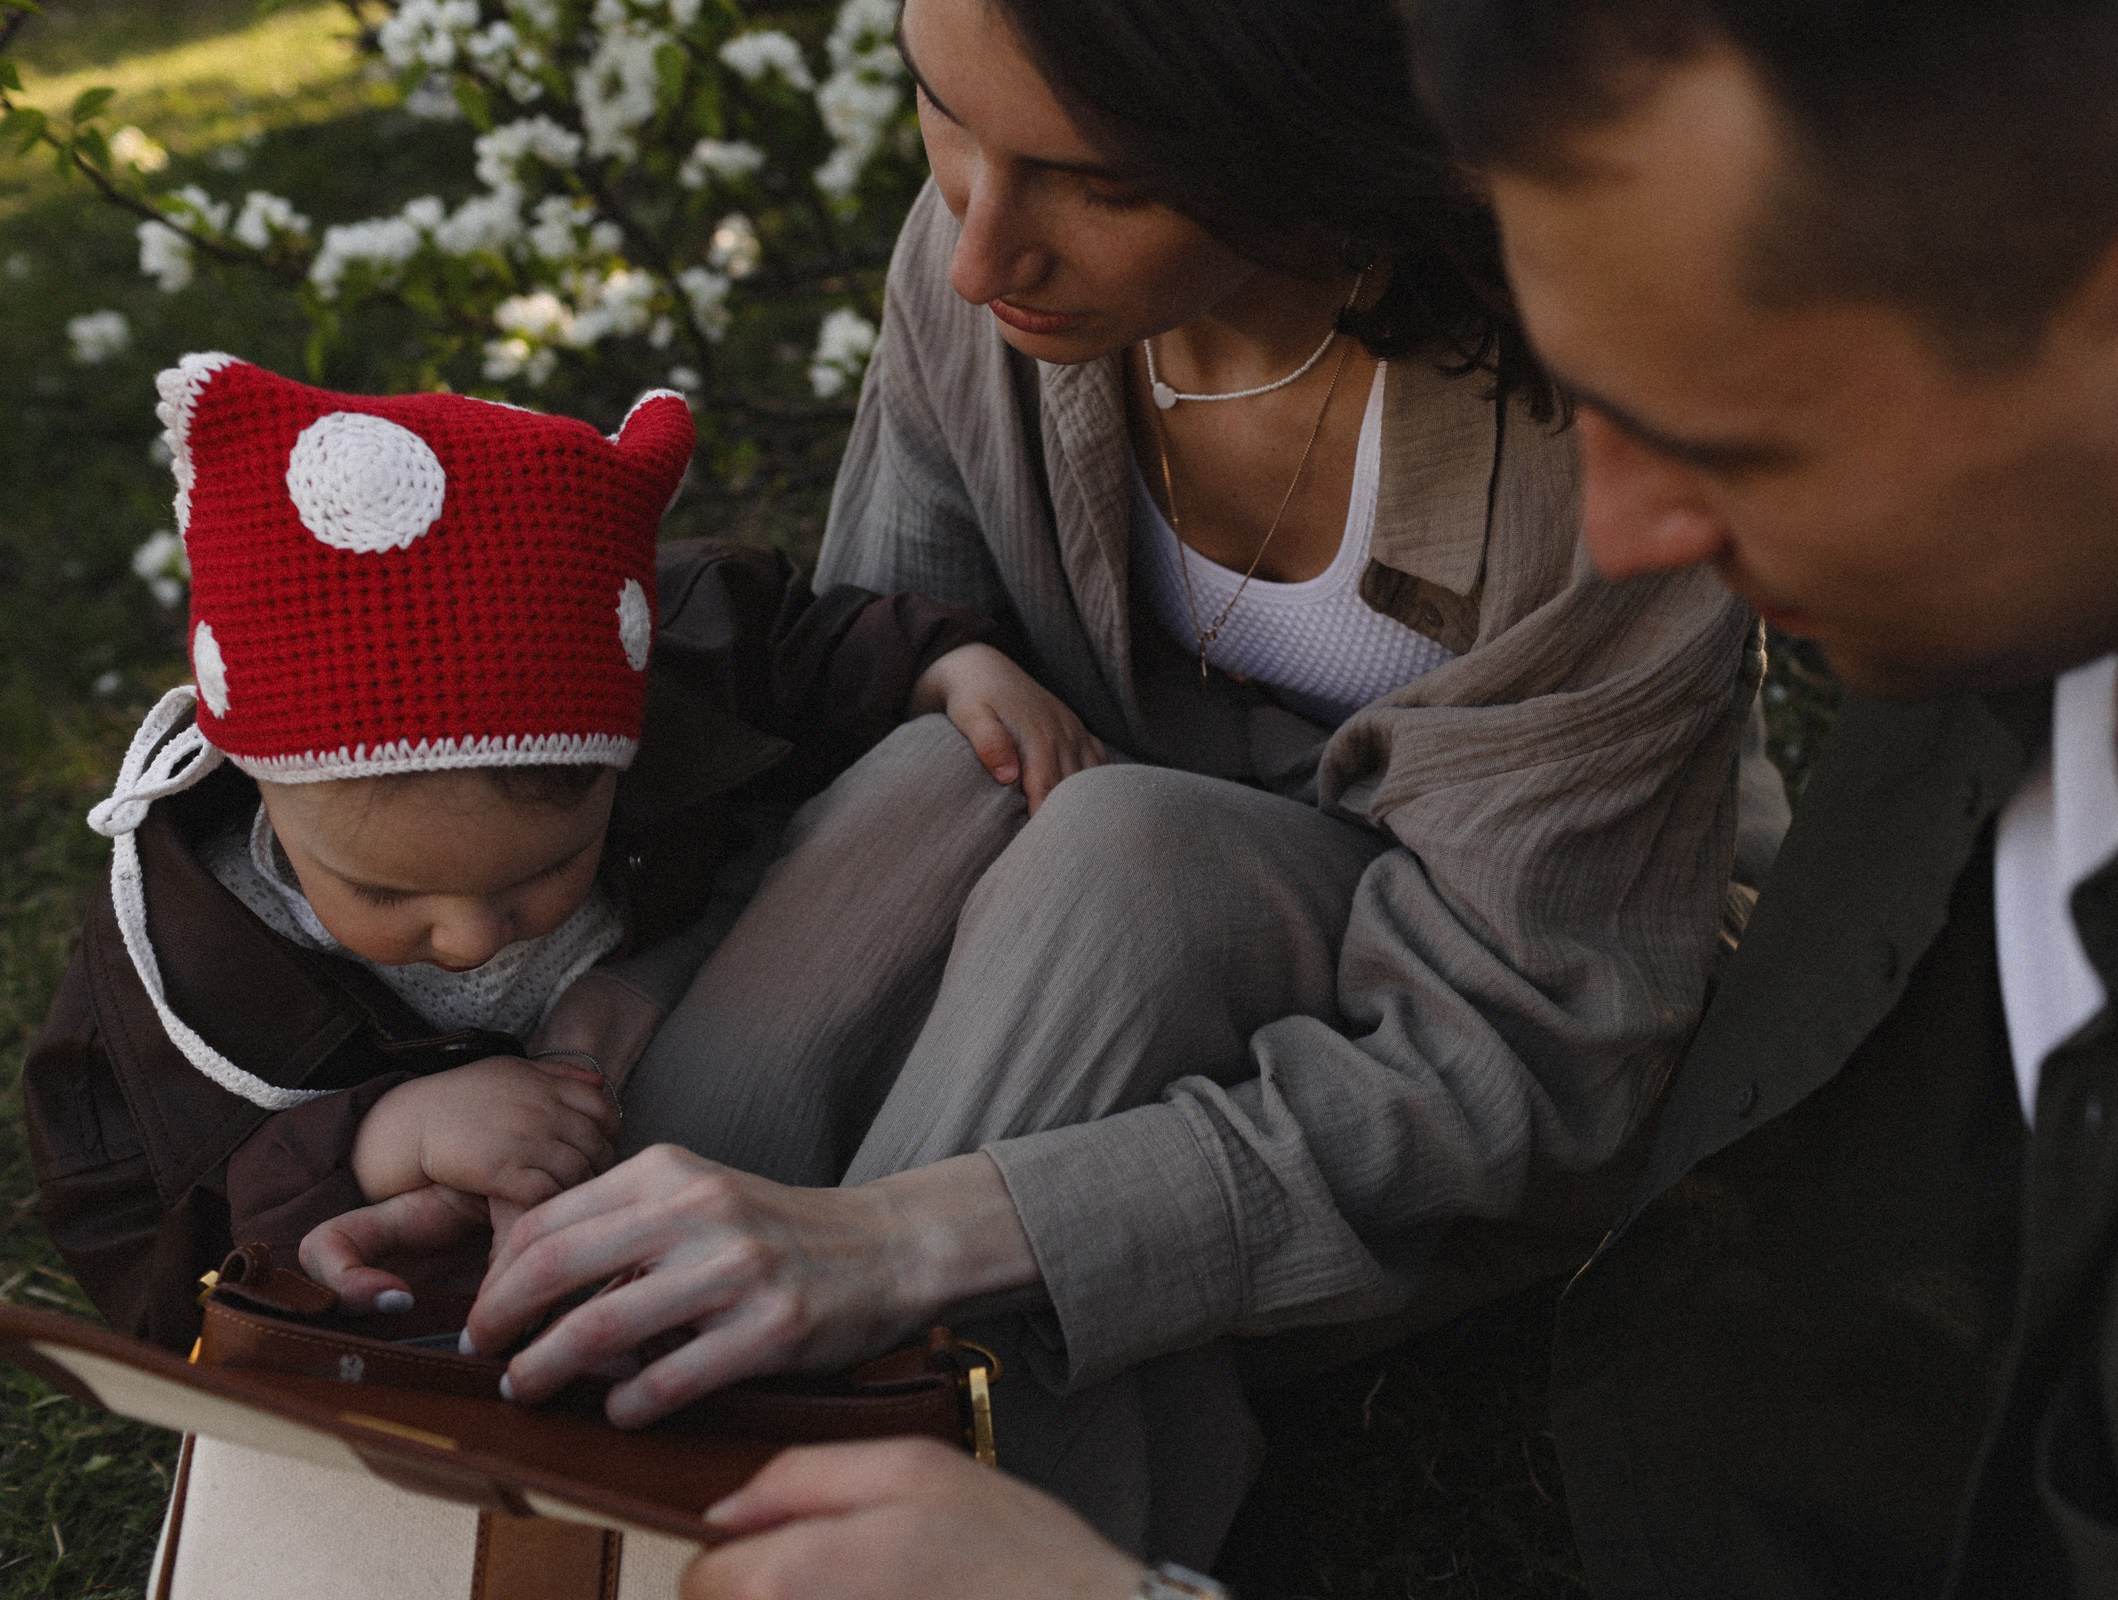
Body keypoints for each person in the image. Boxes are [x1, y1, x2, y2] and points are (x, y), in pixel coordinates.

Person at [666, 0, 2118, 1594]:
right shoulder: (2010, 721)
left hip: (1370, 1038)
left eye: (1721, 431)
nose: (1633, 533)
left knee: (1130, 856)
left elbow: (1537, 1047)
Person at [421, 0, 1781, 1564]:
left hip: (1432, 1039)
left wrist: (896, 1240)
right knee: (953, 750)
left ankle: (869, 1455)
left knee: (1132, 847)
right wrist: (610, 1054)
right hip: (1054, 977)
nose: (977, 255)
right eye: (941, 114)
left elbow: (1521, 1055)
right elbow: (867, 719)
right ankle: (567, 1301)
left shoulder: (1602, 412)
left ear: (1322, 140)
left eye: (1103, 183)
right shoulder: (985, 296)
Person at [23, 354, 1082, 1349]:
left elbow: (777, 645)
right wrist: (377, 1140)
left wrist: (947, 661)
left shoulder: (637, 681)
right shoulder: (195, 955)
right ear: (259, 782)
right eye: (388, 890)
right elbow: (139, 1224)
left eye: (540, 873)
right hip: (463, 1299)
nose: (472, 932)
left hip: (694, 1089)